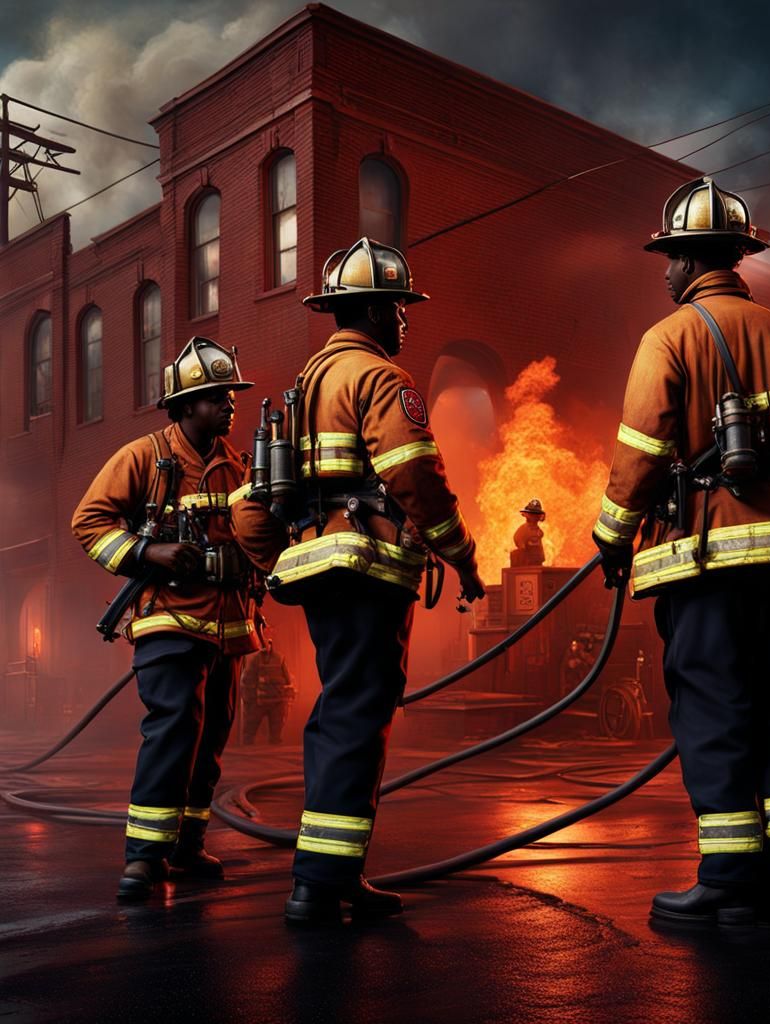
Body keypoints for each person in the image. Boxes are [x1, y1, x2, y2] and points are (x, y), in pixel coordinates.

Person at [591, 177, 770, 928]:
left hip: (708, 560)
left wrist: (612, 536)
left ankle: (729, 879)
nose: (665, 273)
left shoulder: (668, 338)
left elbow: (642, 452)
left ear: (688, 260)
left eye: (669, 259)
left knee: (713, 707)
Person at [232, 238, 486, 925]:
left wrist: (279, 563)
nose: (403, 322)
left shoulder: (305, 386)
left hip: (323, 573)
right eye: (398, 309)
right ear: (374, 312)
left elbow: (250, 504)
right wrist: (462, 557)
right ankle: (319, 885)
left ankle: (334, 875)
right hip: (369, 574)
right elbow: (415, 478)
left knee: (343, 707)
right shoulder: (379, 378)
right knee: (356, 715)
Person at [71, 338, 258, 901]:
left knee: (211, 737)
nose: (228, 404)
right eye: (215, 397)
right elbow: (89, 523)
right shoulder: (143, 458)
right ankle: (145, 858)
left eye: (230, 395)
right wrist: (148, 552)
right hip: (168, 620)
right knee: (173, 730)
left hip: (229, 626)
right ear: (184, 405)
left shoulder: (239, 465)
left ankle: (187, 845)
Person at [240, 638, 296, 745]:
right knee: (250, 733)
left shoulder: (279, 658)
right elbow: (247, 679)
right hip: (261, 702)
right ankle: (248, 752)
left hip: (275, 702)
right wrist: (251, 697)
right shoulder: (256, 660)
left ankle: (271, 753)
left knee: (274, 735)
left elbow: (288, 680)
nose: (265, 645)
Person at [510, 498, 546, 566]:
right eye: (533, 514)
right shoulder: (522, 530)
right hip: (527, 564)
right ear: (528, 515)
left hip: (537, 562)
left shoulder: (538, 530)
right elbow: (520, 546)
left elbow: (539, 546)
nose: (535, 517)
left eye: (537, 515)